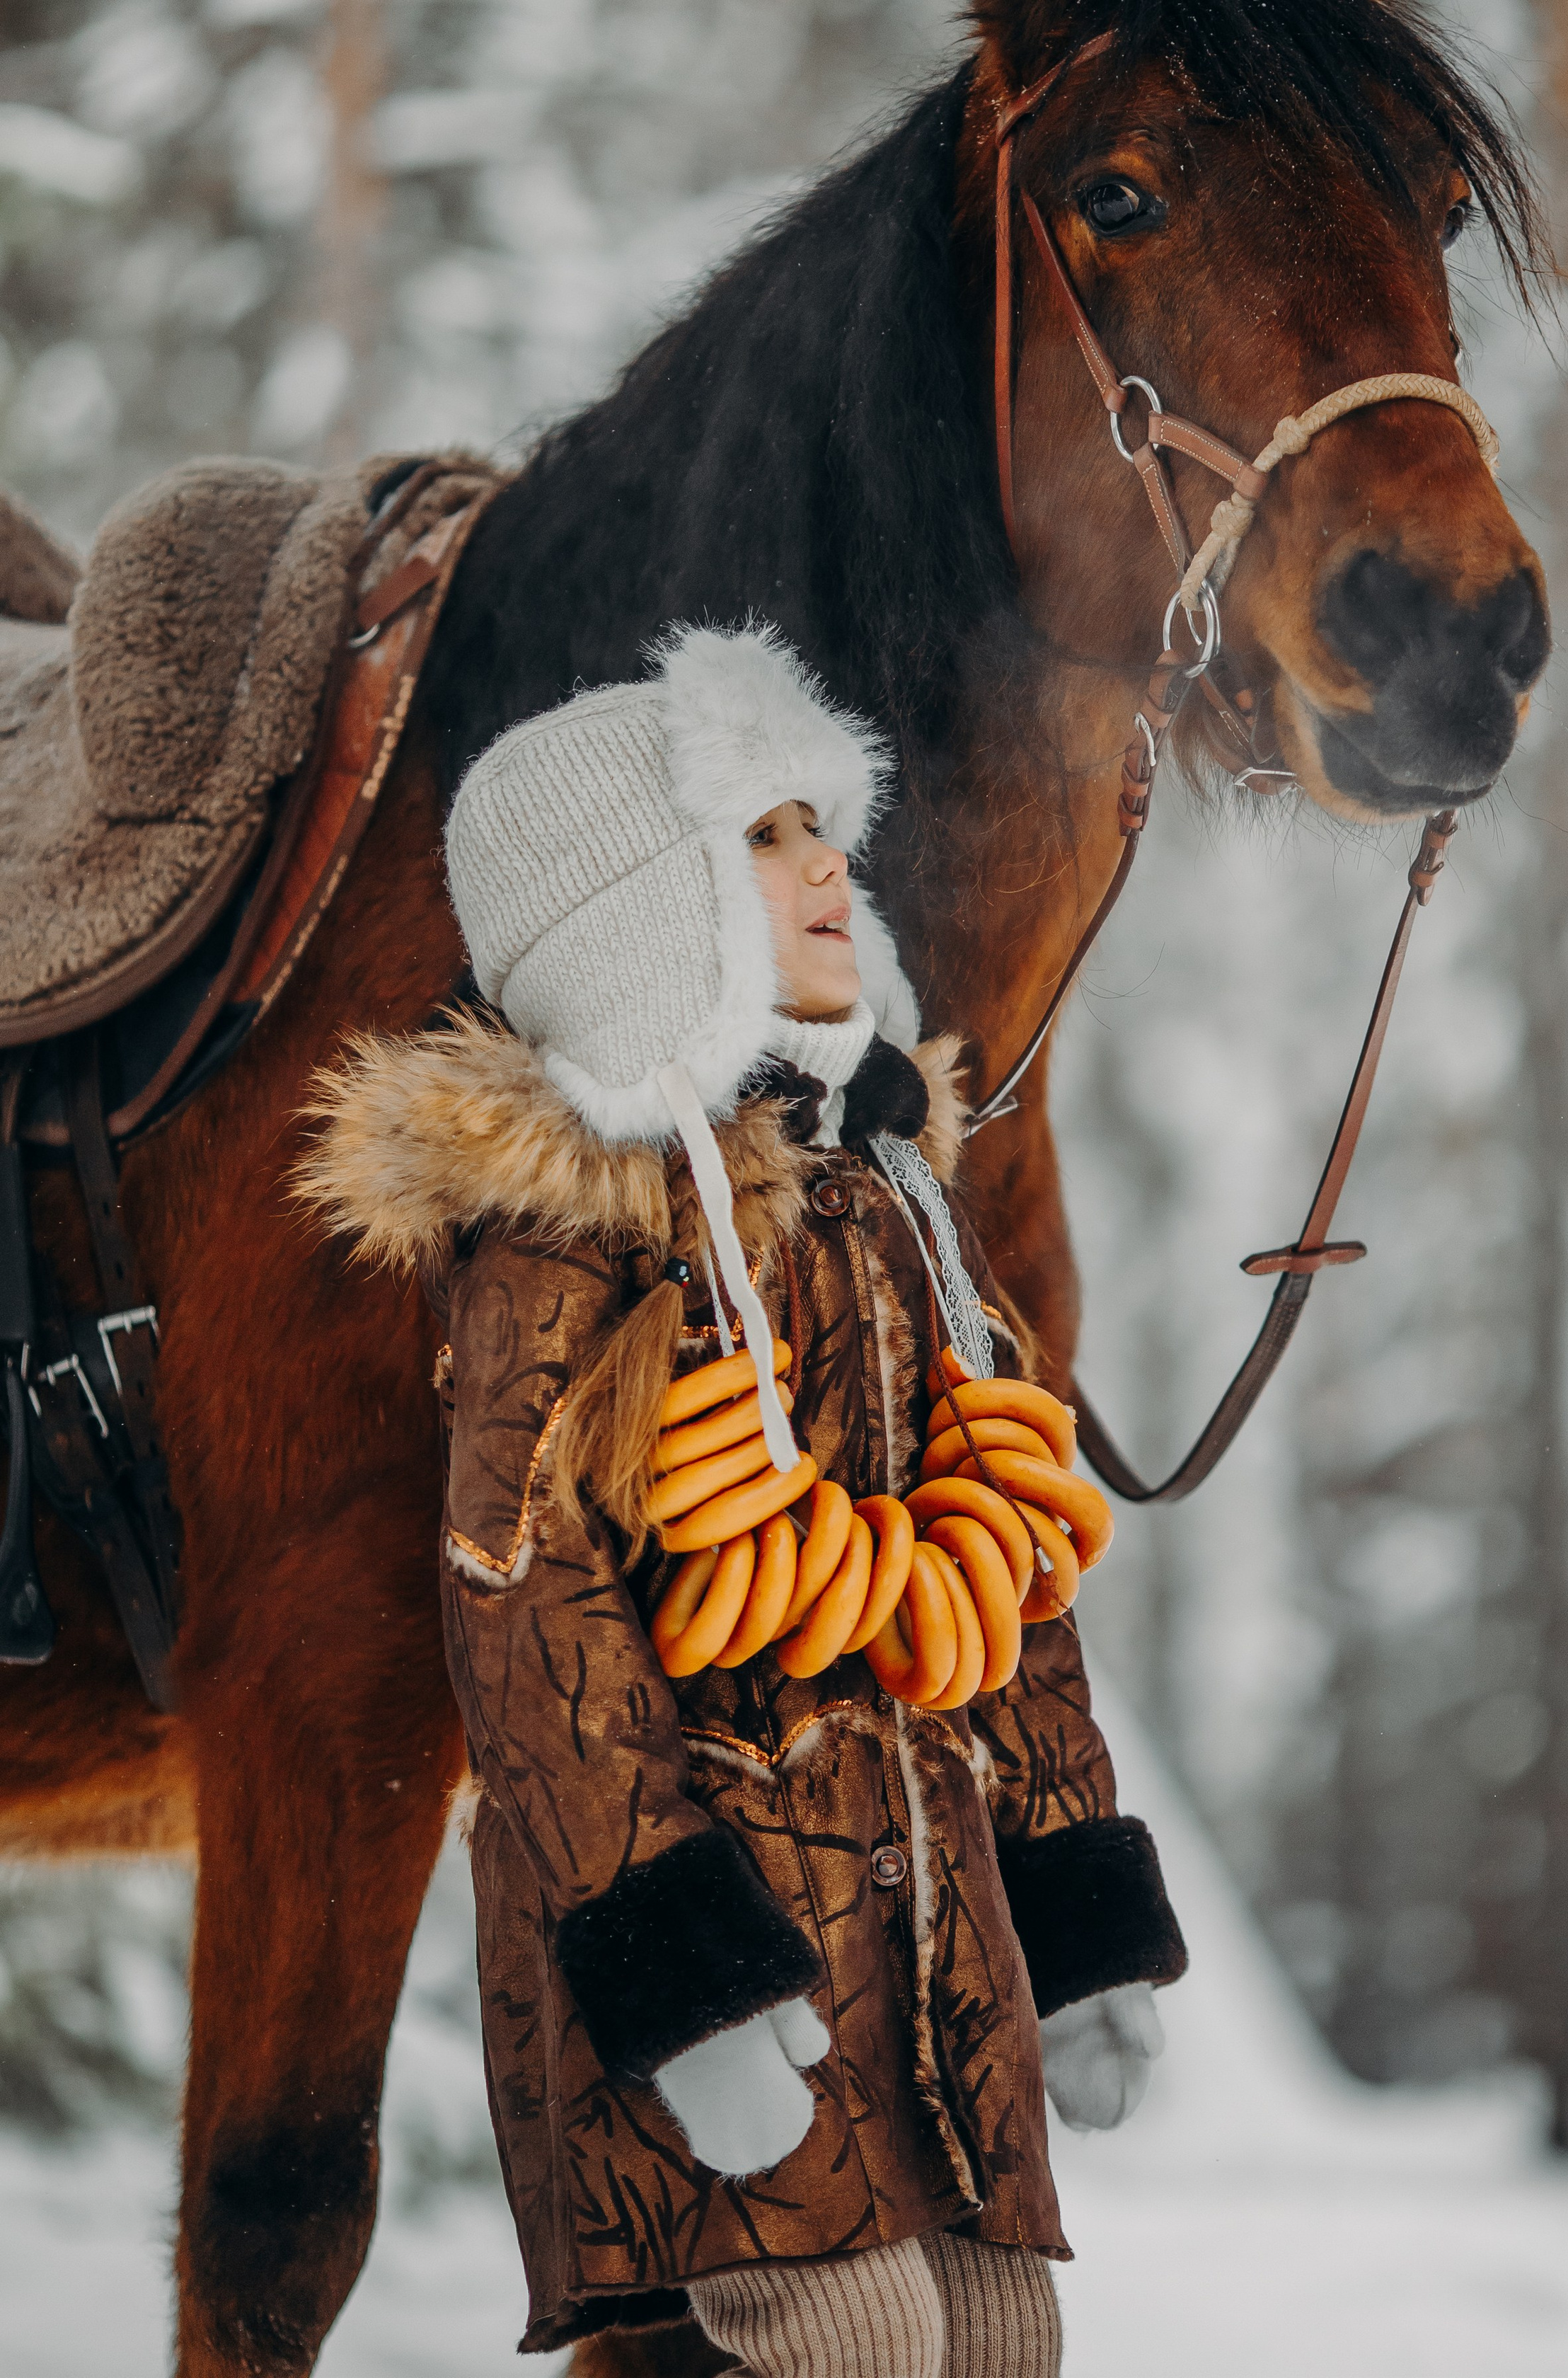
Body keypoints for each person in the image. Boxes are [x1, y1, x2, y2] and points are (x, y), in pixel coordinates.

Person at [300, 625, 1186, 2378]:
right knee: (839, 2343)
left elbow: (1003, 1586)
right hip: (733, 1944)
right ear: (645, 901)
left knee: (1000, 2339)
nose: (830, 861)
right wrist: (683, 1976)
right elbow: (530, 1621)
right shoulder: (571, 1239)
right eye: (768, 833)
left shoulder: (897, 1211)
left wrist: (1072, 1913)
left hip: (938, 1938)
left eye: (821, 822)